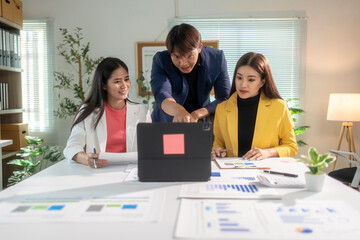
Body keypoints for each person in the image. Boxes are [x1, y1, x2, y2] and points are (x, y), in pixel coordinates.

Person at [63, 57, 151, 168]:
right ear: (104, 85)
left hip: (131, 172)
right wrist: (86, 159)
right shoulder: (87, 112)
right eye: (117, 81)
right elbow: (71, 147)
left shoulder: (142, 111)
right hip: (98, 172)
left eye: (126, 79)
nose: (124, 85)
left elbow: (150, 148)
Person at [212, 52, 298, 160]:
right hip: (231, 171)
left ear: (262, 82)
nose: (243, 84)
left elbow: (291, 147)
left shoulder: (279, 107)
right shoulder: (222, 108)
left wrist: (267, 153)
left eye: (251, 80)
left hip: (264, 171)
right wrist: (217, 150)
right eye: (239, 78)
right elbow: (218, 144)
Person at [150, 23, 230, 122]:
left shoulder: (216, 59)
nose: (183, 63)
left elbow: (224, 98)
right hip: (168, 121)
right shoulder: (161, 60)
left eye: (189, 56)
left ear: (199, 47)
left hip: (200, 120)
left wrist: (200, 113)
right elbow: (162, 94)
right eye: (176, 56)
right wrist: (179, 111)